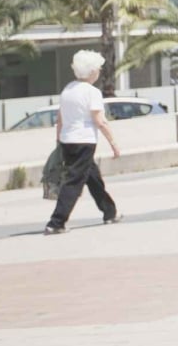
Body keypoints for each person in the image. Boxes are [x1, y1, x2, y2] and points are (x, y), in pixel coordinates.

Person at [45, 50, 121, 234]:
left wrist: (58, 140)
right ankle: (56, 222)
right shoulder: (92, 92)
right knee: (73, 182)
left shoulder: (68, 90)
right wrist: (113, 143)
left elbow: (60, 119)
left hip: (67, 140)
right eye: (98, 69)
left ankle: (109, 212)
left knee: (92, 177)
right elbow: (100, 121)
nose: (99, 72)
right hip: (84, 140)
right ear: (92, 71)